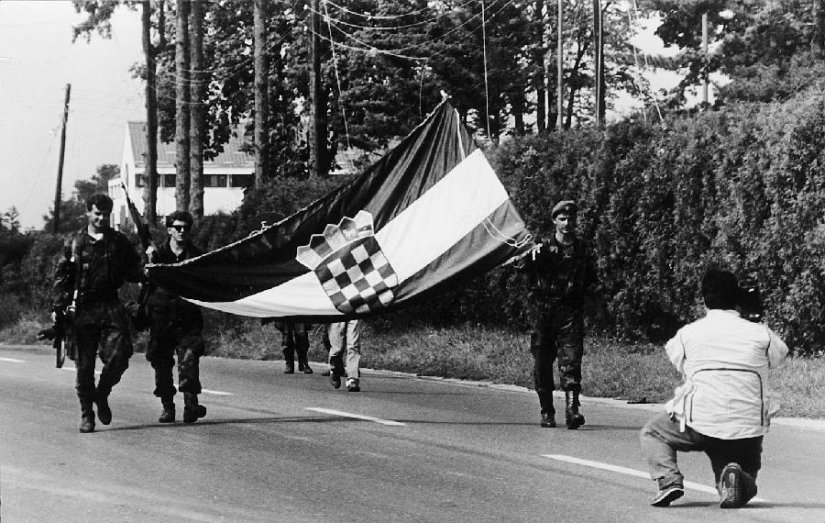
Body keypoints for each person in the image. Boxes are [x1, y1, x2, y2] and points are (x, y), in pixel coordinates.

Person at [639, 268, 789, 508]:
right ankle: (737, 479)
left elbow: (677, 359)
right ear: (737, 298)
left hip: (701, 421)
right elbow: (779, 356)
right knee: (737, 470)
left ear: (704, 300)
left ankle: (669, 481)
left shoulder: (688, 334)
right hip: (747, 427)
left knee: (652, 432)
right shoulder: (761, 334)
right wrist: (756, 320)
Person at [52, 193, 144, 433]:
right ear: (88, 213)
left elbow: (134, 272)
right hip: (83, 308)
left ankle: (101, 394)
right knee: (84, 366)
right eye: (97, 213)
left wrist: (148, 266)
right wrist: (58, 307)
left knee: (120, 356)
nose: (101, 218)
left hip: (111, 305)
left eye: (106, 214)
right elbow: (63, 276)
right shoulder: (74, 242)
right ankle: (87, 414)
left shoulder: (119, 242)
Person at [519, 200, 597, 429]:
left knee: (571, 361)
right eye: (562, 219)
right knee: (542, 362)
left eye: (571, 219)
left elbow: (591, 279)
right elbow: (523, 270)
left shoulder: (582, 249)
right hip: (543, 311)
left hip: (570, 310)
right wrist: (527, 257)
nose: (567, 223)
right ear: (554, 221)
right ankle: (546, 411)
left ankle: (573, 411)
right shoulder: (541, 248)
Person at [144, 211, 208, 424]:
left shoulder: (198, 256)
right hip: (161, 317)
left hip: (186, 317)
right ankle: (167, 407)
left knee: (189, 362)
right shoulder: (157, 254)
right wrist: (148, 263)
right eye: (178, 227)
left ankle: (191, 405)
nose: (182, 231)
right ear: (169, 229)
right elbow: (143, 280)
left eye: (186, 228)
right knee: (161, 364)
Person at [328, 320, 362, 392]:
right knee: (337, 348)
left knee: (353, 346)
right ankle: (335, 370)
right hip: (336, 313)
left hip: (354, 312)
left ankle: (352, 379)